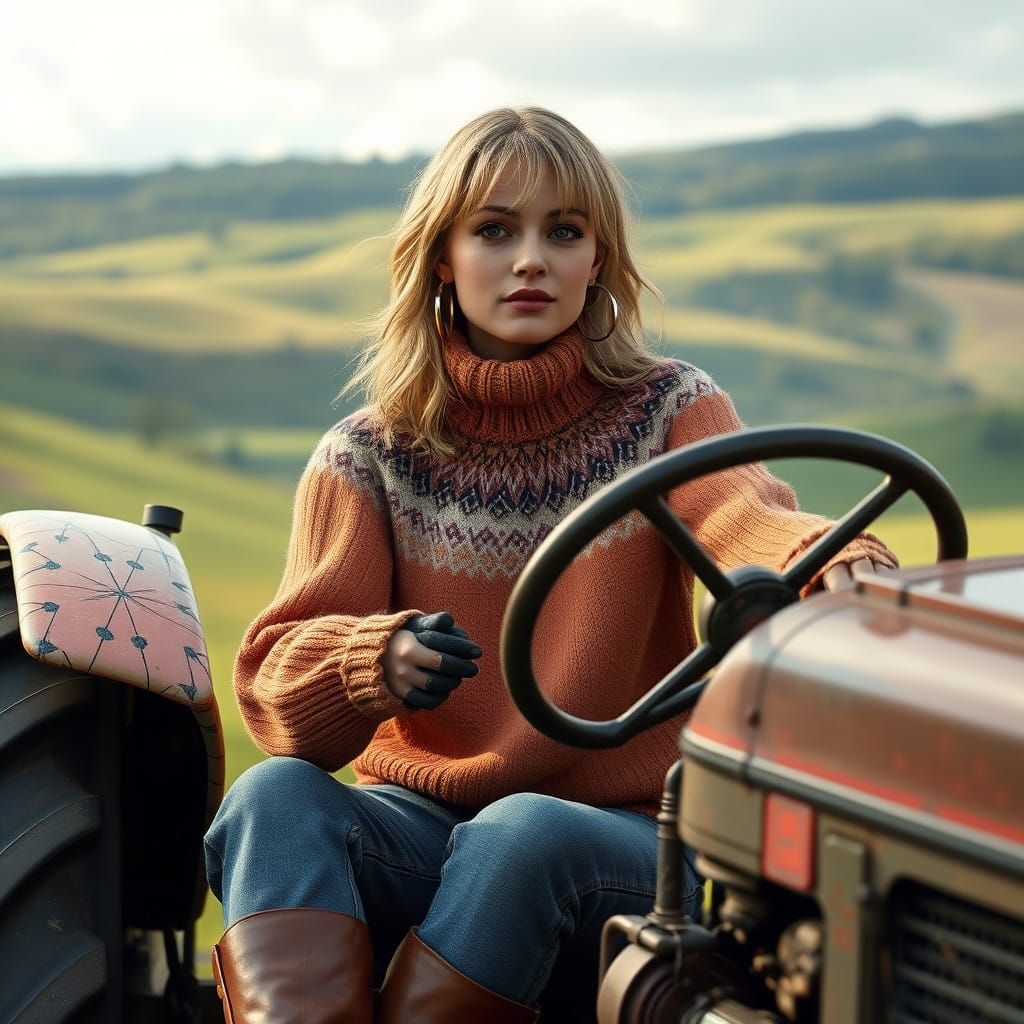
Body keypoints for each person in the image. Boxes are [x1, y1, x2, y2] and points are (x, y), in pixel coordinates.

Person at [204, 107, 895, 1024]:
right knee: (272, 798)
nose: (531, 259)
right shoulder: (367, 457)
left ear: (597, 260)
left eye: (563, 233)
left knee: (517, 833)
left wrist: (828, 558)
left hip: (629, 841)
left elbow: (742, 515)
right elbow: (276, 684)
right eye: (495, 230)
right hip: (424, 823)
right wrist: (369, 662)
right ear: (442, 256)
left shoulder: (666, 410)